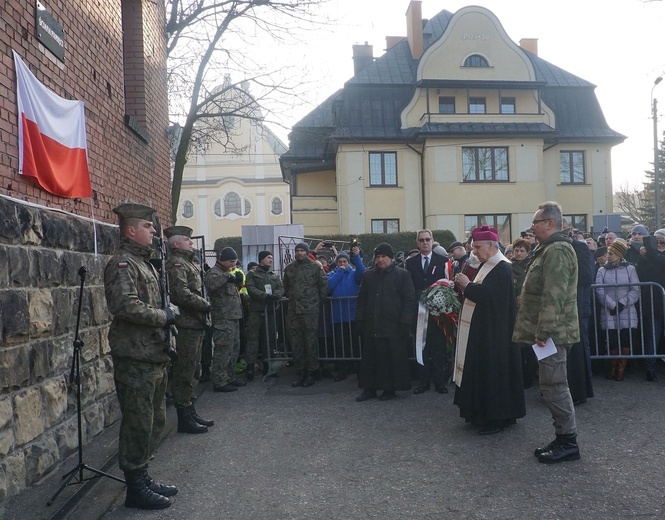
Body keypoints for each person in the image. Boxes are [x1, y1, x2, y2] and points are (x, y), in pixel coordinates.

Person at [104, 203, 177, 510]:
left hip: (152, 354)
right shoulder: (122, 263)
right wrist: (164, 316)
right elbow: (125, 306)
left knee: (154, 420)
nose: (153, 231)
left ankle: (143, 475)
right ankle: (135, 488)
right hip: (134, 356)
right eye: (148, 227)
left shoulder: (144, 262)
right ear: (131, 230)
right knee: (138, 423)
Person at [513, 201, 581, 464]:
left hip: (554, 334)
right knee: (550, 386)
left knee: (555, 386)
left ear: (550, 223)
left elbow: (555, 295)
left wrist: (544, 331)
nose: (532, 227)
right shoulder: (548, 250)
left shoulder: (558, 251)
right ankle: (562, 436)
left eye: (536, 222)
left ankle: (568, 442)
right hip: (551, 332)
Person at [452, 227, 525, 435]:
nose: (474, 251)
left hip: (495, 334)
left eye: (477, 247)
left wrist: (467, 286)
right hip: (485, 331)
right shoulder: (488, 266)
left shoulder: (501, 268)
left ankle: (497, 418)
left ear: (491, 245)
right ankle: (484, 414)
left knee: (495, 374)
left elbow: (491, 298)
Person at [164, 225, 213, 434]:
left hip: (196, 323)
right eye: (187, 239)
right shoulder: (176, 263)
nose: (191, 242)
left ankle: (190, 409)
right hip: (187, 324)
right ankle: (184, 415)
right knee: (185, 370)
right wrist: (204, 304)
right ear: (176, 243)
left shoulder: (188, 262)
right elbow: (179, 293)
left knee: (194, 369)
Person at [355, 243, 416, 401]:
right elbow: (362, 299)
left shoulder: (403, 275)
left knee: (391, 358)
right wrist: (360, 319)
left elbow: (409, 301)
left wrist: (405, 322)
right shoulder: (368, 275)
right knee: (370, 359)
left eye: (384, 257)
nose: (380, 260)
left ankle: (390, 389)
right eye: (378, 257)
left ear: (391, 258)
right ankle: (369, 389)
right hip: (372, 323)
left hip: (393, 325)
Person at [404, 229, 451, 395]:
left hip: (438, 312)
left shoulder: (443, 261)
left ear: (432, 241)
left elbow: (448, 284)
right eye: (421, 240)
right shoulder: (410, 263)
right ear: (417, 243)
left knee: (438, 347)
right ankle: (423, 381)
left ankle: (439, 382)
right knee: (421, 346)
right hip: (419, 311)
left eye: (427, 240)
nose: (425, 243)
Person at [283, 242, 329, 387]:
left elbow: (323, 286)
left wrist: (315, 302)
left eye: (302, 250)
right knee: (296, 343)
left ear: (307, 252)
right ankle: (301, 372)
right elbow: (286, 287)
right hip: (293, 311)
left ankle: (311, 372)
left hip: (310, 311)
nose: (299, 253)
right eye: (297, 251)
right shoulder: (289, 268)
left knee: (310, 342)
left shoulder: (315, 267)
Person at [596, 240, 640, 381]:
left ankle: (621, 369)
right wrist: (611, 305)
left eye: (611, 253)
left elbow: (635, 289)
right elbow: (599, 289)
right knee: (612, 340)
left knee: (626, 339)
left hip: (626, 310)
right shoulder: (601, 270)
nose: (607, 256)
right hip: (609, 310)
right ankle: (613, 367)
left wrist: (622, 303)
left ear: (619, 255)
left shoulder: (630, 269)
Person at [206, 247, 246, 392]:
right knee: (223, 350)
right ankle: (219, 380)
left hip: (233, 317)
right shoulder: (214, 273)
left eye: (235, 262)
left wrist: (236, 282)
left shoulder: (227, 272)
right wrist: (227, 277)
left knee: (234, 349)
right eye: (232, 262)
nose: (234, 265)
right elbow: (211, 285)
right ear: (223, 260)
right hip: (222, 319)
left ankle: (229, 376)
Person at [326, 246, 365, 381]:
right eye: (340, 262)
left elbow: (363, 274)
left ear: (348, 262)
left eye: (345, 262)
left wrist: (357, 257)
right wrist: (340, 272)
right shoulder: (332, 274)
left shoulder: (353, 274)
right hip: (338, 316)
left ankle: (359, 369)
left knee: (355, 343)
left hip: (353, 315)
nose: (342, 264)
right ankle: (342, 369)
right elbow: (329, 286)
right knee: (340, 344)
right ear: (337, 263)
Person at [244, 250, 285, 379]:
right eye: (268, 258)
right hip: (256, 311)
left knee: (270, 339)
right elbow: (251, 288)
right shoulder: (252, 273)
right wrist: (265, 296)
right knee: (253, 339)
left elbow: (281, 287)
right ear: (261, 259)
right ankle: (250, 367)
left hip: (271, 311)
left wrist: (275, 296)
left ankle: (267, 366)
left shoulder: (274, 275)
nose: (271, 260)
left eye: (272, 258)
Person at [637, 230, 665, 381]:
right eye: (657, 242)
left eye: (662, 242)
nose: (659, 245)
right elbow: (640, 274)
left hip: (660, 301)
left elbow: (661, 262)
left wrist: (652, 251)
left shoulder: (657, 256)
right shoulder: (647, 257)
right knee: (652, 337)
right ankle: (650, 368)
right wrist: (643, 257)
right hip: (653, 303)